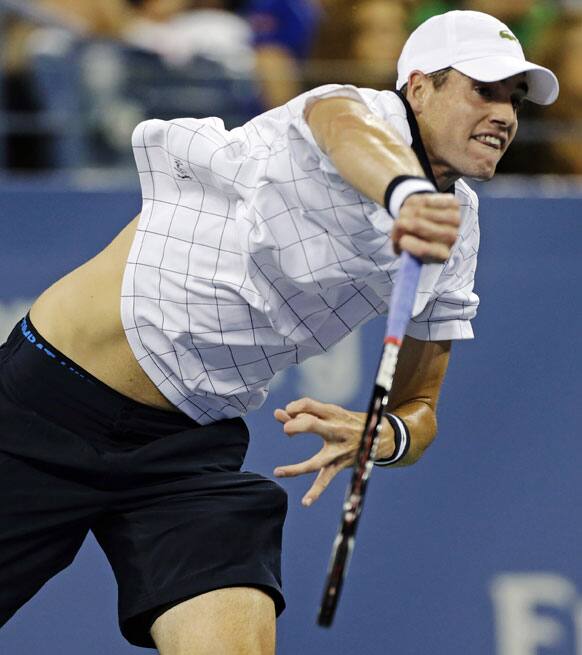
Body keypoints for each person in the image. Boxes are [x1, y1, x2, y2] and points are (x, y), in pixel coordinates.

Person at [0, 9, 558, 655]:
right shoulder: (345, 109)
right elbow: (349, 136)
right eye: (483, 90)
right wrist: (405, 194)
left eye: (514, 99)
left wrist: (389, 433)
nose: (504, 114)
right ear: (418, 87)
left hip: (185, 452)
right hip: (42, 410)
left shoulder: (460, 228)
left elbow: (421, 408)